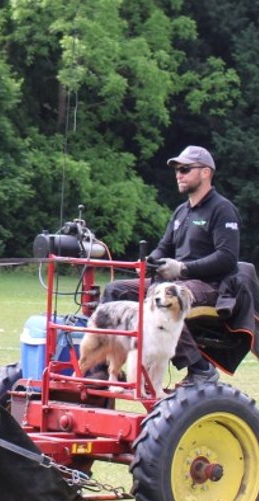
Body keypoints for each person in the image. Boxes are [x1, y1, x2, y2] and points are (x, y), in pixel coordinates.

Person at [100, 145, 242, 386]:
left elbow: (227, 258)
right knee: (114, 291)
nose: (179, 174)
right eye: (177, 169)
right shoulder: (181, 211)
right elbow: (164, 248)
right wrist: (149, 262)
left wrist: (183, 269)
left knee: (170, 302)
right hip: (174, 282)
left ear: (206, 173)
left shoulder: (222, 209)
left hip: (210, 285)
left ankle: (200, 369)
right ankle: (107, 364)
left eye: (185, 169)